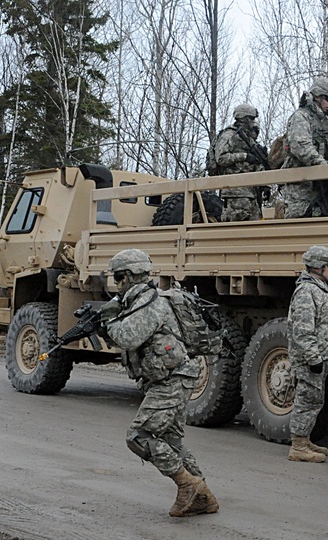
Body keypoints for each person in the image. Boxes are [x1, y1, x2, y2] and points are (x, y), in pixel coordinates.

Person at [100, 249, 218, 518]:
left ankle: (187, 485)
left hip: (173, 378)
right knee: (170, 440)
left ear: (129, 276)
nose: (117, 284)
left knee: (138, 437)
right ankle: (203, 498)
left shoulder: (150, 303)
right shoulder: (137, 302)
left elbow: (128, 338)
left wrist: (106, 320)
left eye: (118, 277)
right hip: (172, 376)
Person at [286, 245, 328, 463]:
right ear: (318, 267)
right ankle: (298, 446)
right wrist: (312, 358)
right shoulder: (306, 291)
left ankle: (304, 438)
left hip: (319, 355)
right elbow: (302, 329)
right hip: (310, 359)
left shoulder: (318, 288)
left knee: (314, 399)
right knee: (307, 399)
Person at [280, 76, 328, 218]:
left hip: (321, 183)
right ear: (318, 97)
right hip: (301, 183)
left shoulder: (326, 119)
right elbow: (301, 147)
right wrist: (324, 166)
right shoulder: (301, 117)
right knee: (299, 220)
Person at [212, 104, 268, 222]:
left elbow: (257, 164)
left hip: (251, 191)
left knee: (256, 229)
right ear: (243, 118)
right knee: (237, 229)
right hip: (235, 191)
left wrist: (266, 185)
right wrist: (245, 156)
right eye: (251, 119)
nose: (253, 122)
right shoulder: (229, 135)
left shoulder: (248, 138)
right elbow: (221, 158)